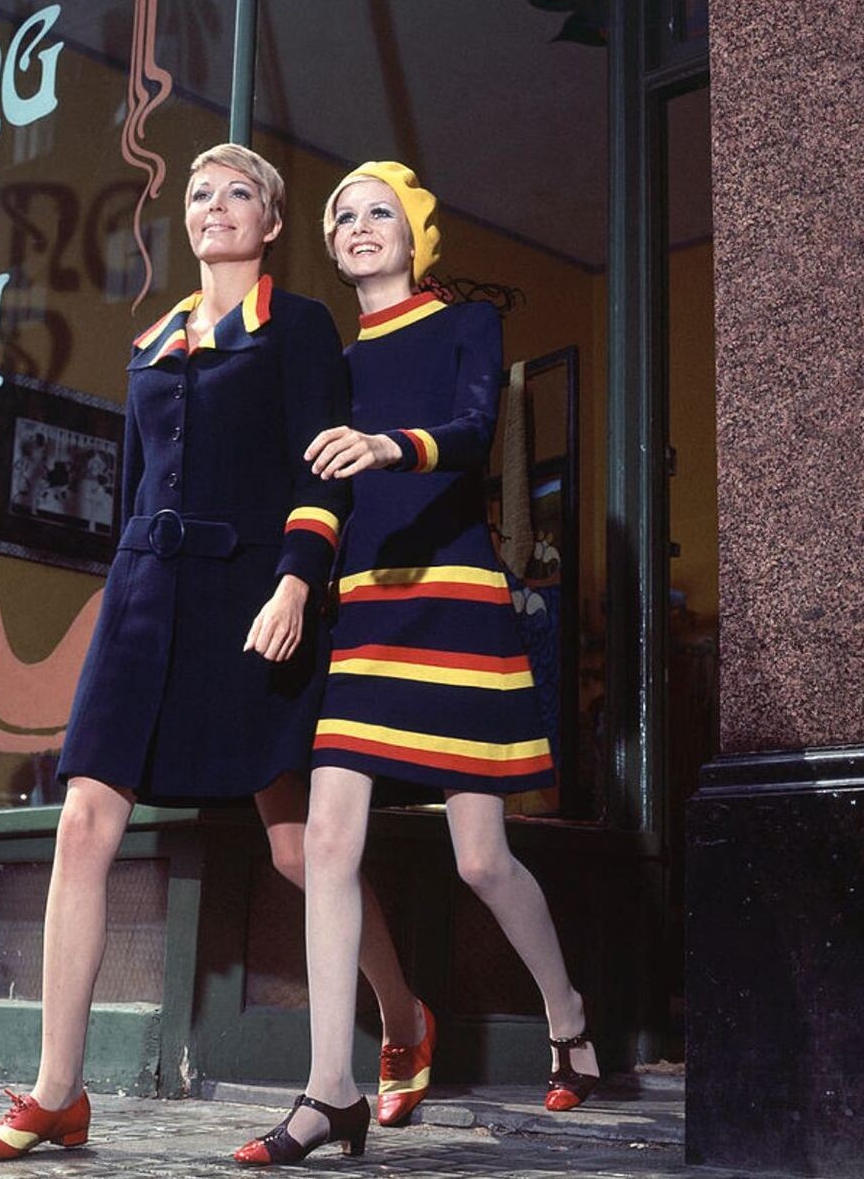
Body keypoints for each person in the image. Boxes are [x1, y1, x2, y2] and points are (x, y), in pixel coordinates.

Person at [0, 145, 426, 1162]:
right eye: (200, 193)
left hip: (254, 601)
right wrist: (121, 595)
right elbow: (135, 487)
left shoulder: (299, 325)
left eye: (238, 193)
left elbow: (323, 471)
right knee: (84, 820)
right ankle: (58, 1093)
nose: (215, 206)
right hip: (143, 600)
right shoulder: (151, 342)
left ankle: (403, 1015)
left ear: (272, 222)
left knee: (295, 848)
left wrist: (297, 581)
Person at [234, 162, 598, 1167]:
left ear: (416, 233)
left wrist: (389, 447)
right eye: (342, 215)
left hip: (457, 602)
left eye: (378, 211)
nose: (358, 225)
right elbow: (318, 496)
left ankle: (569, 1018)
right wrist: (293, 580)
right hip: (364, 611)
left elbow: (476, 431)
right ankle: (330, 1089)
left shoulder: (466, 324)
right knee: (328, 841)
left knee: (481, 858)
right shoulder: (338, 363)